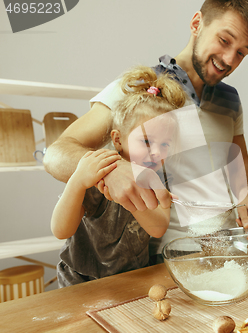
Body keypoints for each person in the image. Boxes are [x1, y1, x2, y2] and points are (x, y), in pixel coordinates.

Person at [44, 0, 248, 263]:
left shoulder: (231, 100)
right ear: (197, 23)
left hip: (230, 246)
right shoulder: (143, 87)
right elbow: (56, 154)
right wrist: (113, 169)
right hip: (173, 256)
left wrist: (247, 196)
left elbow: (239, 165)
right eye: (224, 40)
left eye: (242, 52)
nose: (230, 59)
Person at [51, 66, 186, 287]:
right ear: (118, 139)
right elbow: (60, 230)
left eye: (165, 144)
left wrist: (133, 197)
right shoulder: (99, 170)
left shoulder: (158, 178)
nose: (156, 152)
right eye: (146, 141)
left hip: (131, 277)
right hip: (81, 280)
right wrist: (77, 181)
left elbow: (157, 228)